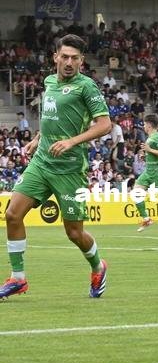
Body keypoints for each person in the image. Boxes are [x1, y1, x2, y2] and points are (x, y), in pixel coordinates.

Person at [1, 34, 112, 300]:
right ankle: (18, 279)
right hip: (42, 164)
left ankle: (98, 267)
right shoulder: (49, 81)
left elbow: (105, 125)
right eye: (65, 57)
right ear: (55, 57)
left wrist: (71, 142)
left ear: (82, 61)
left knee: (74, 232)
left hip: (70, 170)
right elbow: (52, 116)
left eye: (75, 58)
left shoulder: (87, 87)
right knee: (13, 214)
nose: (69, 62)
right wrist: (38, 139)